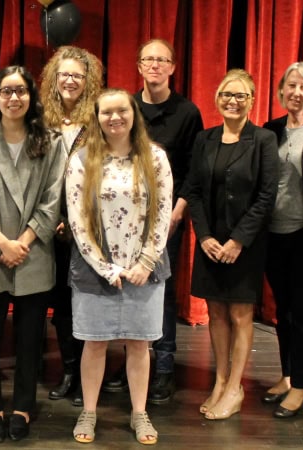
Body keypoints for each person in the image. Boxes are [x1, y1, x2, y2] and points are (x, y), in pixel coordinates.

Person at [0, 66, 65, 442]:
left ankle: (23, 405)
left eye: (20, 91)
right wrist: (3, 242)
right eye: (6, 91)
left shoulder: (51, 141)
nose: (14, 98)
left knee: (29, 338)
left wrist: (22, 241)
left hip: (33, 252)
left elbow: (53, 201)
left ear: (31, 96)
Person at [67, 89, 172, 445]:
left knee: (140, 345)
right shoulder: (82, 160)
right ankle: (90, 411)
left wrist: (145, 261)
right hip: (96, 272)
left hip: (145, 270)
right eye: (106, 112)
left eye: (121, 110)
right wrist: (105, 267)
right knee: (94, 345)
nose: (114, 118)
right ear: (96, 118)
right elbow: (78, 221)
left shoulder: (155, 158)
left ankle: (139, 412)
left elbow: (162, 214)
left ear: (133, 113)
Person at [111, 38, 204, 403]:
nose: (154, 65)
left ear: (172, 67)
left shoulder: (188, 113)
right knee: (128, 290)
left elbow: (192, 173)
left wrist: (176, 215)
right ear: (138, 66)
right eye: (147, 58)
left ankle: (163, 365)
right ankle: (133, 359)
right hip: (125, 221)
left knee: (159, 292)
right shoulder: (126, 108)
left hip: (169, 220)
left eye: (161, 59)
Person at [185, 69, 278, 420]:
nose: (233, 101)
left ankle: (236, 386)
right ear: (217, 98)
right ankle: (220, 381)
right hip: (210, 241)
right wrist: (205, 236)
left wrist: (238, 240)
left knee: (240, 314)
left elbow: (267, 195)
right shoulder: (204, 139)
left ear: (252, 101)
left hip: (246, 244)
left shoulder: (264, 140)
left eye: (241, 96)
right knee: (216, 313)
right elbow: (193, 190)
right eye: (227, 94)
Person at [261, 62, 303, 418]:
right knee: (283, 312)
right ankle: (288, 375)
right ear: (281, 91)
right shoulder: (270, 130)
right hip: (273, 234)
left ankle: (301, 386)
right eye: (290, 86)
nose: (296, 92)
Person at [38, 45, 103, 407]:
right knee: (61, 304)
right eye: (65, 73)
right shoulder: (41, 118)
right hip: (47, 225)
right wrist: (52, 219)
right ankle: (68, 370)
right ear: (54, 77)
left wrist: (74, 221)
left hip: (87, 226)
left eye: (78, 74)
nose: (71, 80)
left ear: (88, 81)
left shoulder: (97, 118)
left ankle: (87, 375)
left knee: (87, 300)